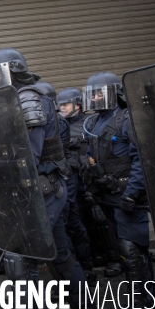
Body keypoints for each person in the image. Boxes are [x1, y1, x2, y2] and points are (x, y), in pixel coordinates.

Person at [0, 48, 90, 309]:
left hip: (41, 188)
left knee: (23, 259)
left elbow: (27, 156)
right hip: (35, 189)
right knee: (59, 254)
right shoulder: (11, 100)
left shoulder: (28, 99)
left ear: (14, 72)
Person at [83, 72, 155, 309]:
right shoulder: (93, 122)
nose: (95, 98)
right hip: (107, 195)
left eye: (99, 93)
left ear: (115, 93)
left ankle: (146, 300)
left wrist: (132, 192)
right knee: (120, 251)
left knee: (132, 250)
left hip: (126, 194)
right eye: (92, 94)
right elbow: (92, 156)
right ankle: (136, 295)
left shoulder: (126, 118)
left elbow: (140, 159)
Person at [58, 87, 106, 275]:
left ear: (77, 105)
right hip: (71, 181)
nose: (62, 108)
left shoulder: (89, 122)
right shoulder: (59, 124)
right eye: (60, 105)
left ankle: (101, 257)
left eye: (65, 104)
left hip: (88, 181)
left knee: (96, 220)